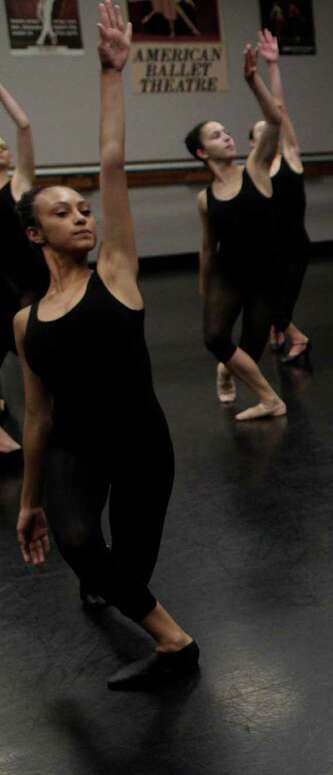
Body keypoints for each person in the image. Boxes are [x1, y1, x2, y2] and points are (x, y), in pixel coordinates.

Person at [13, 1, 198, 691]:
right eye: (61, 211)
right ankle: (176, 643)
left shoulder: (116, 272)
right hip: (75, 447)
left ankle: (119, 593)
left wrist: (111, 73)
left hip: (144, 442)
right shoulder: (27, 321)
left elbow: (112, 161)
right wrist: (30, 500)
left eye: (82, 207)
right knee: (80, 541)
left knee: (127, 567)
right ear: (36, 236)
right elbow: (36, 415)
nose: (81, 215)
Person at [187, 37, 287, 421]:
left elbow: (276, 120)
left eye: (225, 131)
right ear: (202, 153)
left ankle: (227, 371)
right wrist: (204, 285)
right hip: (229, 275)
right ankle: (270, 398)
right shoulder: (204, 199)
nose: (226, 136)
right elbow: (208, 247)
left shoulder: (256, 170)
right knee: (214, 338)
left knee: (250, 346)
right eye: (215, 135)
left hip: (266, 274)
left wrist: (251, 78)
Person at [250, 29, 311, 366]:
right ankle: (288, 334)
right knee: (264, 299)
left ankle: (291, 334)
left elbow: (280, 109)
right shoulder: (254, 170)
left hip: (295, 243)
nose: (268, 134)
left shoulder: (289, 155)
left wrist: (272, 66)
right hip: (268, 247)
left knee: (280, 302)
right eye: (260, 134)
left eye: (269, 130)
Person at [0, 81, 45, 454]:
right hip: (2, 285)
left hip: (34, 281)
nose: (2, 149)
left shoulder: (19, 183)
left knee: (38, 352)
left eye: (4, 146)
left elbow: (25, 126)